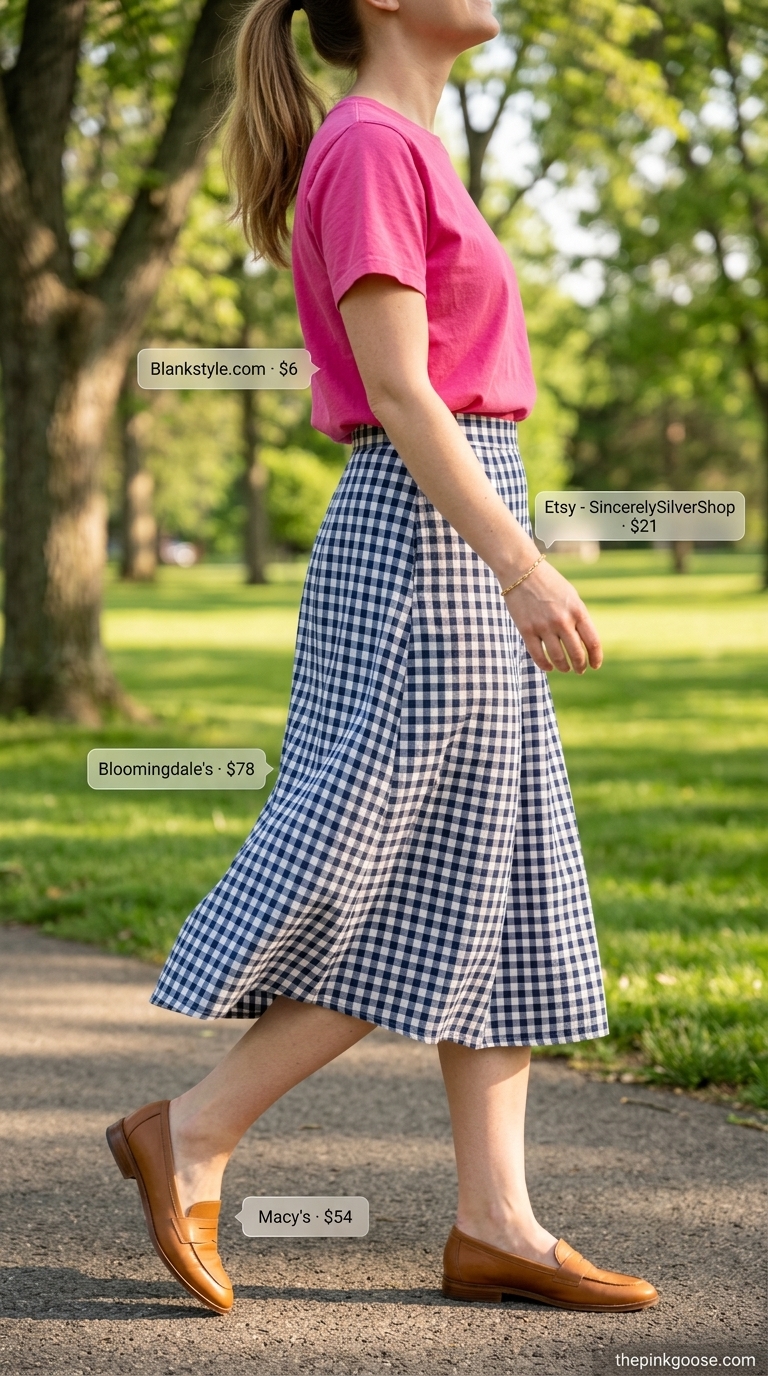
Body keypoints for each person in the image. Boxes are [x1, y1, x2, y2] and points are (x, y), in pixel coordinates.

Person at [107, 0, 658, 1317]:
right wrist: (521, 565)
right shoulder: (367, 145)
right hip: (427, 540)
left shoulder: (405, 142)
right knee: (409, 876)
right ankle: (190, 1129)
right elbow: (403, 385)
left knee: (503, 867)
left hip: (458, 513)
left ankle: (498, 1222)